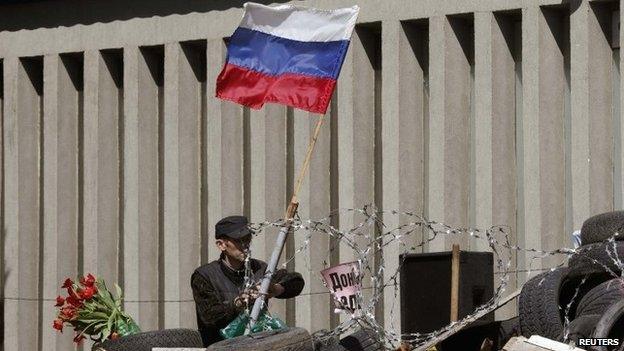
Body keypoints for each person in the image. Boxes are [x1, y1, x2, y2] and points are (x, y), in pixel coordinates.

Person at [191, 215, 305, 346]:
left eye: (247, 239)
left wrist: (275, 289)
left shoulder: (260, 269)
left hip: (256, 345)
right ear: (221, 245)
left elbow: (296, 282)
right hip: (220, 346)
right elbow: (209, 317)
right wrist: (239, 303)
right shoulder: (204, 275)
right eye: (239, 241)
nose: (245, 245)